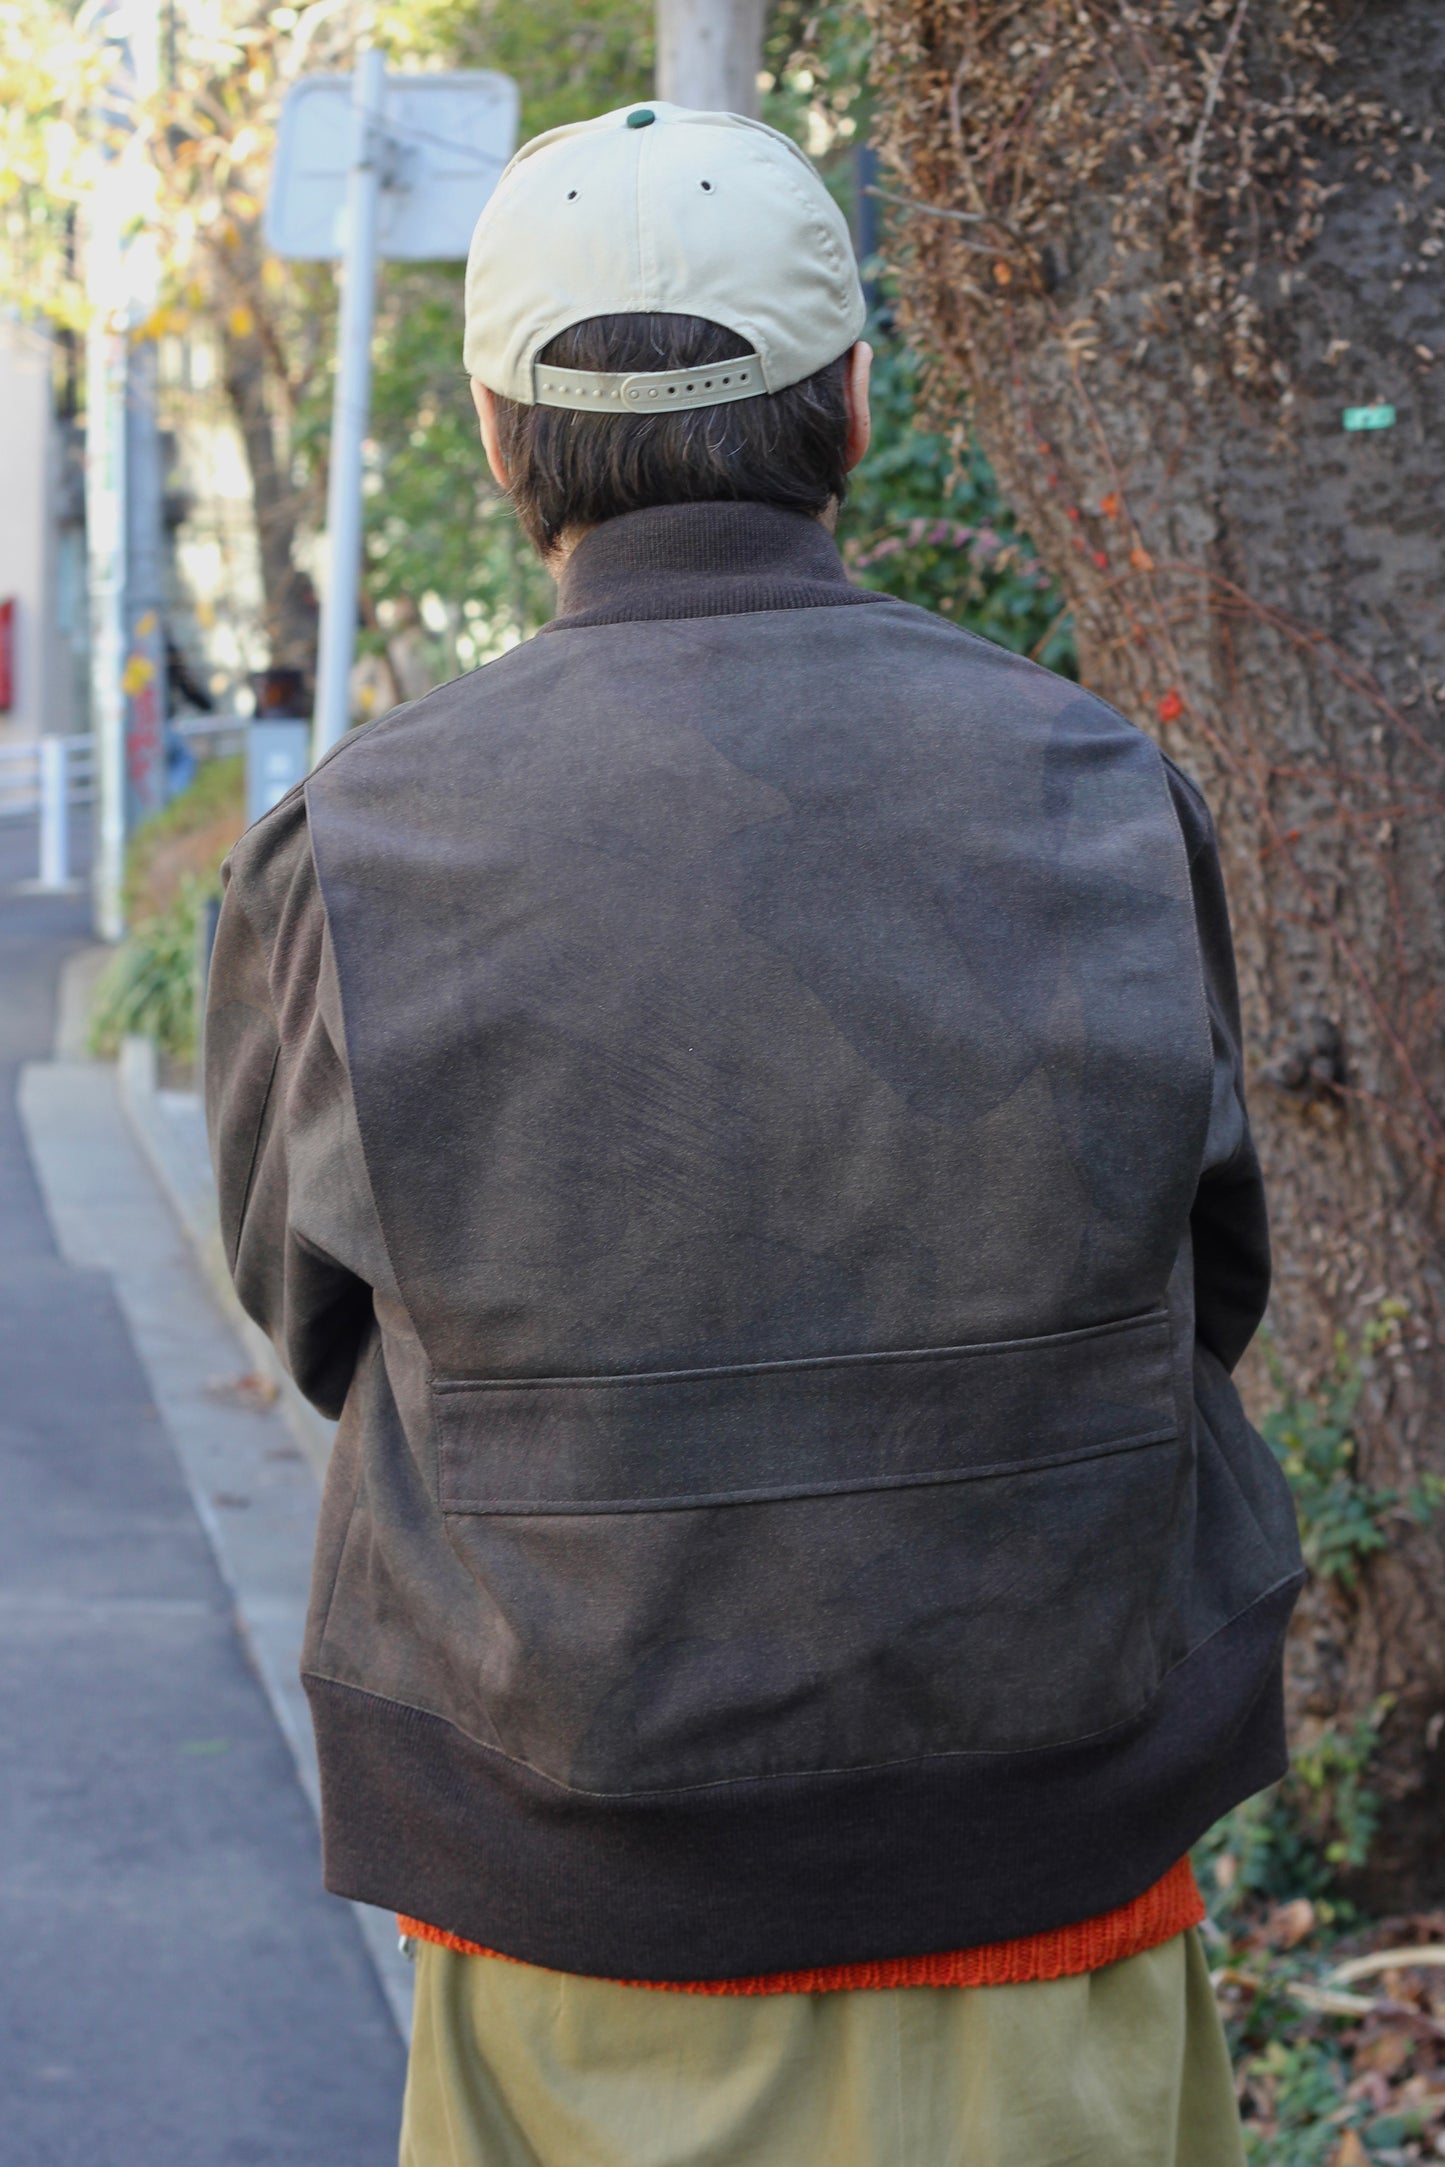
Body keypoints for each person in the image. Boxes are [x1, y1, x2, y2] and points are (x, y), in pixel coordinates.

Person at [204, 101, 1304, 2167]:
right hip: (1048, 1870)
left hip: (574, 1888)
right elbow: (1209, 1281)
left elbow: (325, 1319)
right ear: (858, 398)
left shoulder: (354, 846)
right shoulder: (1091, 783)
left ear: (501, 435)